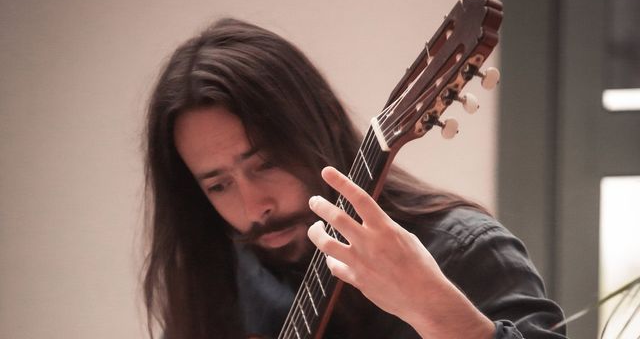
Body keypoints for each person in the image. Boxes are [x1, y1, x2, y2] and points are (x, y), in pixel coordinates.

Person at [142, 18, 567, 339]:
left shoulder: (461, 250)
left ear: (314, 132)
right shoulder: (216, 278)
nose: (255, 206)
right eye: (218, 185)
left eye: (266, 163)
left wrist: (433, 308)